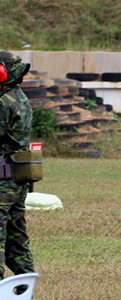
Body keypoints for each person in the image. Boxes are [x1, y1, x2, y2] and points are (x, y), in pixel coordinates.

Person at [0, 51, 36, 280]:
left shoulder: (3, 102)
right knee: (16, 238)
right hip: (17, 176)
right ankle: (26, 284)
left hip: (2, 180)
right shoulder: (19, 96)